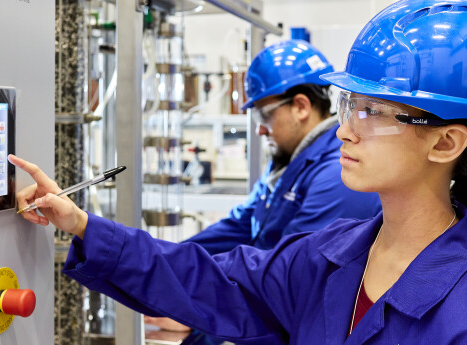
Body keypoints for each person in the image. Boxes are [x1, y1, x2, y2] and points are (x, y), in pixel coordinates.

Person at [11, 0, 467, 343]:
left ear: (446, 142)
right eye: (349, 104)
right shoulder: (331, 256)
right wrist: (82, 225)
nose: (344, 130)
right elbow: (209, 280)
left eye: (372, 113)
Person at [148, 39, 381, 345]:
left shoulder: (337, 176)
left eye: (263, 116)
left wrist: (195, 317)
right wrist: (158, 264)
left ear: (300, 106)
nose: (259, 129)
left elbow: (280, 286)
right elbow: (237, 227)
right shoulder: (287, 164)